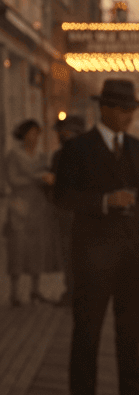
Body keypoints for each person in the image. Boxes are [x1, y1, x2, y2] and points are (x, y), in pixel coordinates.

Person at [54, 79, 139, 395]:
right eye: (122, 110)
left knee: (130, 328)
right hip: (93, 254)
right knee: (88, 328)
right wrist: (103, 202)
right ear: (104, 109)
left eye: (132, 110)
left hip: (133, 253)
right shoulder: (78, 149)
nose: (129, 117)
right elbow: (62, 197)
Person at [4, 119, 60, 306]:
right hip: (19, 206)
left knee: (37, 247)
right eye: (31, 133)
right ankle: (14, 292)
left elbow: (48, 175)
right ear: (23, 134)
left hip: (38, 207)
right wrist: (37, 179)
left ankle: (35, 289)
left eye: (37, 133)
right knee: (18, 248)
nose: (34, 137)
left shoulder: (41, 156)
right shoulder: (13, 155)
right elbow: (12, 180)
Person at [50, 115, 87, 306]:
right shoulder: (60, 155)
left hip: (78, 213)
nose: (61, 135)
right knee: (68, 255)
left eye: (64, 132)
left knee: (75, 255)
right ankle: (72, 290)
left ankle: (75, 292)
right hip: (65, 213)